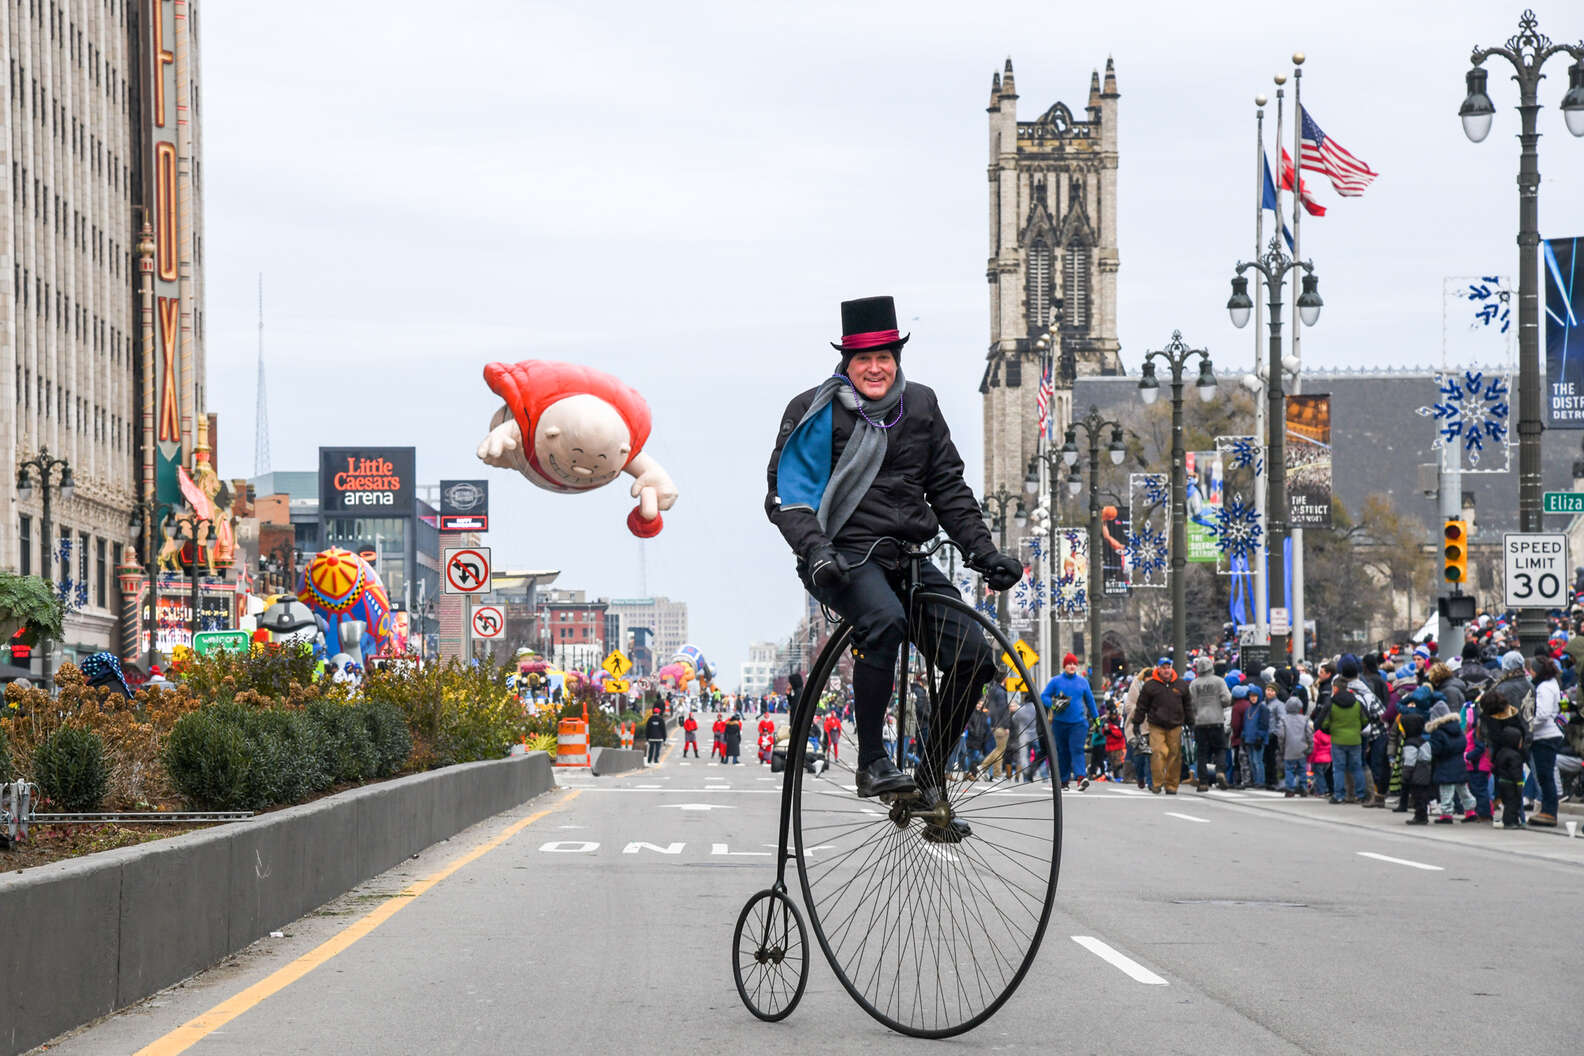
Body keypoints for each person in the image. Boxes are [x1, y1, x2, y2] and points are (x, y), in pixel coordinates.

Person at [765, 295, 1019, 819]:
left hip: (906, 556)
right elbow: (785, 496)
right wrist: (815, 550)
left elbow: (947, 486)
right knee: (882, 618)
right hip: (843, 555)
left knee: (975, 655)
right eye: (864, 358)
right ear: (847, 362)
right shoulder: (812, 411)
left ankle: (928, 781)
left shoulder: (921, 405)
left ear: (897, 358)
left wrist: (984, 551)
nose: (875, 367)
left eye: (885, 356)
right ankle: (873, 762)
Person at [1040, 653, 1098, 791]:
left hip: (1078, 723)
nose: (1072, 666)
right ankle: (1063, 781)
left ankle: (1080, 777)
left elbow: (1090, 700)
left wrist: (1095, 717)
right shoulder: (1056, 681)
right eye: (1069, 664)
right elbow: (1043, 696)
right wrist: (1053, 704)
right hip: (1060, 723)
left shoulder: (1083, 682)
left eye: (1074, 664)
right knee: (1063, 752)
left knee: (1077, 749)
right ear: (1064, 666)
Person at [1131, 658, 1188, 795]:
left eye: (1168, 667)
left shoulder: (1180, 684)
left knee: (1174, 755)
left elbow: (1188, 705)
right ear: (1158, 669)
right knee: (1158, 752)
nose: (1166, 670)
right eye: (1163, 667)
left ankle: (1171, 785)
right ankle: (1157, 783)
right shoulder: (1150, 686)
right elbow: (1142, 706)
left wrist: (1190, 722)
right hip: (1156, 725)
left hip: (1175, 724)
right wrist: (1136, 723)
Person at [1526, 655, 1564, 827]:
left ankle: (1549, 811)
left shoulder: (1545, 688)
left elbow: (1542, 714)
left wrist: (1528, 725)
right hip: (1547, 734)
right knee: (1544, 775)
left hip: (1545, 736)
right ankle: (1547, 810)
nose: (1530, 673)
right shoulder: (1550, 684)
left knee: (1545, 775)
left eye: (1532, 670)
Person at [1321, 674, 1368, 804]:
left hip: (1338, 740)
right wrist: (1356, 728)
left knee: (1339, 768)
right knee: (1357, 767)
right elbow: (1365, 720)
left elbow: (1324, 723)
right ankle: (1360, 794)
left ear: (1335, 688)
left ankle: (1339, 795)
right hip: (1355, 739)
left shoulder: (1332, 704)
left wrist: (1331, 730)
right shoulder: (1357, 703)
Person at [1188, 655, 1231, 792]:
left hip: (1200, 721)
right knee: (1220, 748)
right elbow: (1226, 700)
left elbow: (1191, 704)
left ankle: (1203, 782)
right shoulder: (1219, 681)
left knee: (1202, 753)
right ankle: (1220, 771)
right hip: (1216, 720)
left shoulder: (1193, 684)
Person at [1426, 701, 1474, 824]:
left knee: (1446, 791)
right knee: (1463, 790)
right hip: (1459, 763)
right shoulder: (1457, 728)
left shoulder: (1438, 732)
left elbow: (1435, 749)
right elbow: (1463, 743)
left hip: (1445, 765)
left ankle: (1447, 814)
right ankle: (1470, 811)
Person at [1274, 696, 1313, 797]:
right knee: (1302, 770)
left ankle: (1290, 789)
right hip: (1302, 748)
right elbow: (1309, 734)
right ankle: (1303, 788)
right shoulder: (1304, 719)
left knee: (1289, 769)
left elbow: (1281, 735)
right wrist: (1310, 746)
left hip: (1288, 749)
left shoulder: (1284, 719)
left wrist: (1282, 748)